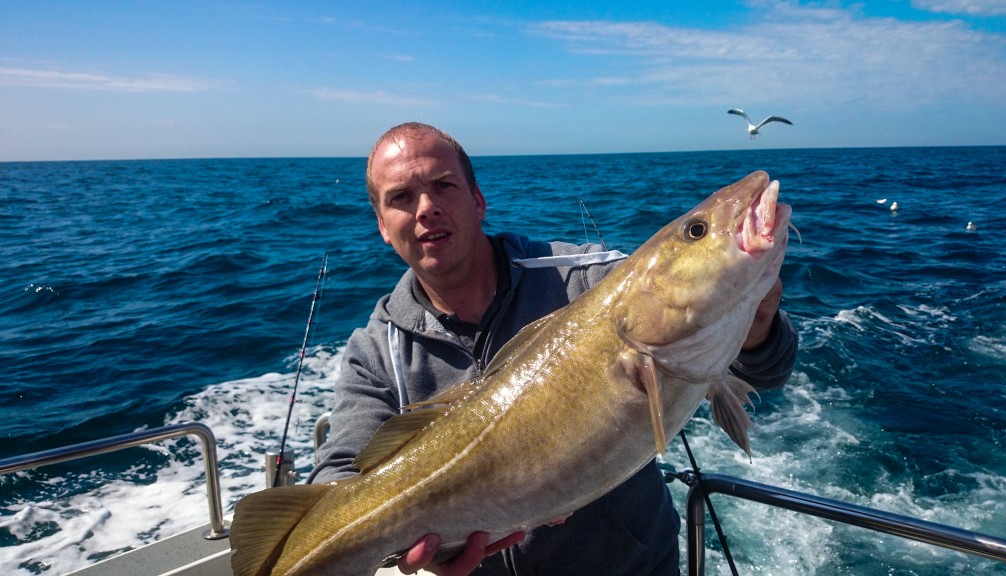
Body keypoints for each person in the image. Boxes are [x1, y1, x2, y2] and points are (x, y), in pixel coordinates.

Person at [309, 122, 798, 576]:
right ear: (381, 224)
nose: (425, 208)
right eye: (401, 197)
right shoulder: (374, 350)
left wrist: (756, 327)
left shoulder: (589, 281)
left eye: (443, 186)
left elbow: (768, 370)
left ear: (478, 200)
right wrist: (405, 546)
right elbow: (338, 477)